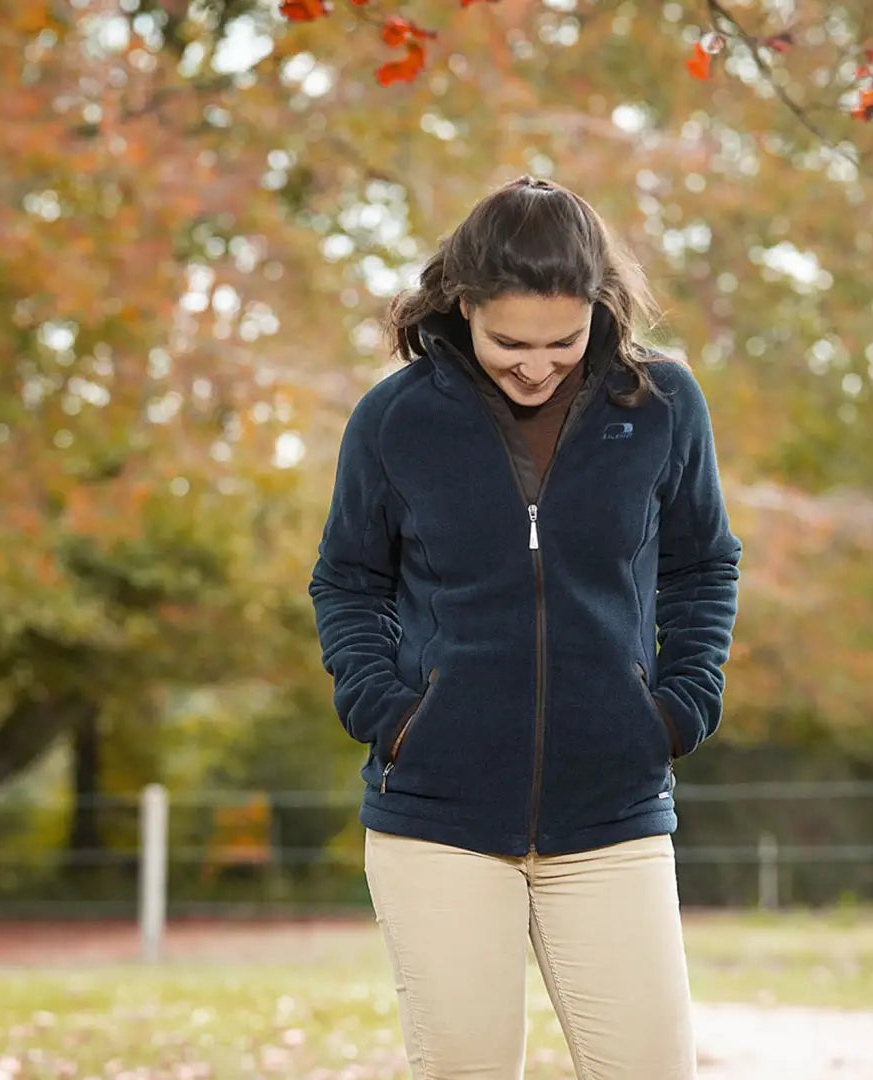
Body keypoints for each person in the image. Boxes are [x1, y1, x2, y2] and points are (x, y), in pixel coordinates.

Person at [307, 176, 742, 1080]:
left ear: (599, 308)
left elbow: (704, 567)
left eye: (563, 340)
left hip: (614, 812)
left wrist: (678, 707)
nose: (537, 365)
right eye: (510, 341)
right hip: (438, 816)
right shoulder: (395, 420)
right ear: (462, 305)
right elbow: (348, 582)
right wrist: (391, 714)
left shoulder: (662, 406)